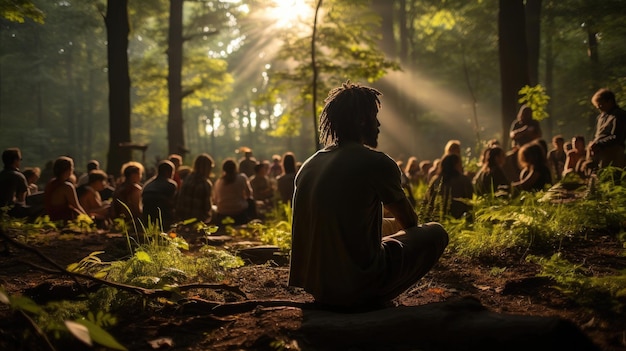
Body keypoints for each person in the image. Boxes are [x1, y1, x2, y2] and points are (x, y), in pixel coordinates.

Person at [288, 81, 448, 310]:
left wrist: (388, 228)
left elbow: (345, 223)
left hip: (319, 288)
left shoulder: (310, 164)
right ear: (362, 120)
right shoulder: (377, 163)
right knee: (436, 232)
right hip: (356, 288)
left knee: (389, 228)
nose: (379, 124)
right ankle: (376, 297)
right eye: (374, 116)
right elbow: (410, 222)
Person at [425, 153, 474, 220]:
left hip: (438, 219)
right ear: (456, 165)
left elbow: (429, 200)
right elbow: (469, 201)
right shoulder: (464, 180)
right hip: (460, 220)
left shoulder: (436, 180)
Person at [588, 88, 626, 169]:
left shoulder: (618, 115)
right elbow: (597, 134)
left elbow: (617, 137)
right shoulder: (601, 117)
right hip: (599, 153)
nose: (598, 107)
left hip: (613, 153)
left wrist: (599, 144)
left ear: (609, 101)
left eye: (601, 104)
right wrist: (594, 144)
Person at [212, 158, 256, 225]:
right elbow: (249, 194)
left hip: (222, 212)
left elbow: (215, 200)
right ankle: (252, 221)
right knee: (251, 201)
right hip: (239, 212)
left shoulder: (219, 181)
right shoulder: (242, 178)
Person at [43, 156, 87, 221]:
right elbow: (76, 206)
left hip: (50, 218)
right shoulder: (67, 187)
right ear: (69, 169)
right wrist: (87, 218)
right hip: (63, 220)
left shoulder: (50, 183)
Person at [176, 153, 215, 223]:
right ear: (208, 168)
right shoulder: (205, 184)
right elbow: (207, 208)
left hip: (182, 218)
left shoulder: (187, 178)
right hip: (198, 221)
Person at [142, 160, 178, 229]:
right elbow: (173, 203)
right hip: (163, 216)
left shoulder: (148, 184)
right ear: (168, 172)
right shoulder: (171, 185)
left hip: (147, 216)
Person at [0, 148, 30, 218]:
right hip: (12, 212)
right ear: (15, 160)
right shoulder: (18, 176)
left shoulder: (1, 175)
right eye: (20, 159)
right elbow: (22, 200)